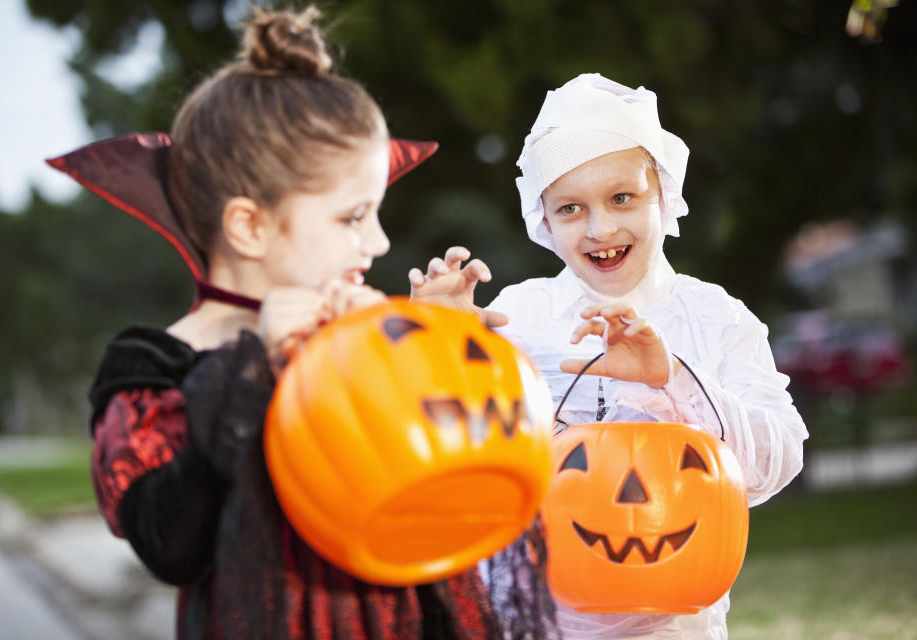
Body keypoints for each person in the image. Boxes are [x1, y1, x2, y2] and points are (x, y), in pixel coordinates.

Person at [80, 7, 545, 639]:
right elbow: (168, 544)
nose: (378, 242)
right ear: (249, 225)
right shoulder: (155, 366)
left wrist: (428, 346)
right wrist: (251, 374)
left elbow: (441, 483)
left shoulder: (357, 329)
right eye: (353, 217)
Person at [409, 73, 809, 639]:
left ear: (664, 195)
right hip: (531, 622)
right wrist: (440, 349)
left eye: (622, 197)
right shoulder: (518, 317)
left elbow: (777, 460)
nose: (600, 228)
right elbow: (446, 465)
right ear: (544, 220)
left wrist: (672, 379)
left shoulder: (716, 317)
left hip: (677, 627)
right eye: (571, 208)